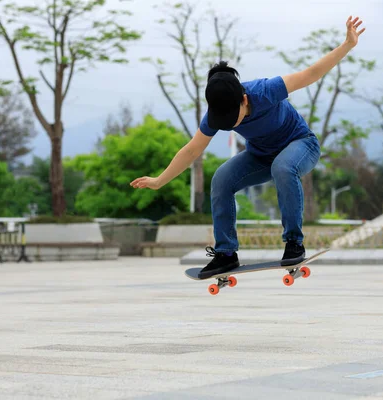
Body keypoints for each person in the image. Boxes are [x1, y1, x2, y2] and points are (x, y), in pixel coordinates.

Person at [131, 16, 365, 279]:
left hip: (301, 145)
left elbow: (310, 74)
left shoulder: (265, 91)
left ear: (244, 98)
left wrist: (347, 44)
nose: (231, 124)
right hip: (261, 155)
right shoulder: (213, 114)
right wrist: (159, 180)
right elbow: (192, 150)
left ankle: (294, 242)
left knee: (284, 166)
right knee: (221, 180)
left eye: (234, 118)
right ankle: (226, 253)